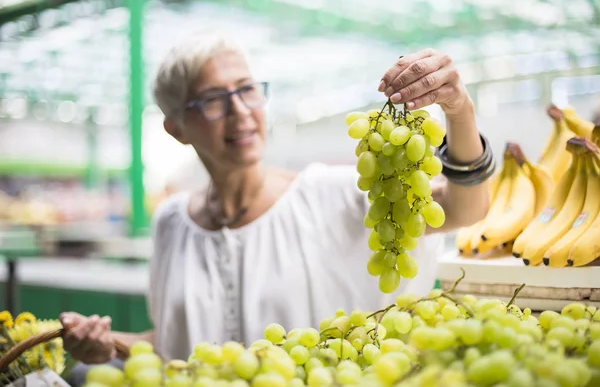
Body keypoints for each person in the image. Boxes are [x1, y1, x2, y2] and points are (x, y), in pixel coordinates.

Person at [59, 31, 493, 364]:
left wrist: (459, 109)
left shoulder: (325, 194)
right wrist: (110, 344)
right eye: (213, 99)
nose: (241, 111)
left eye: (247, 89)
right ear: (176, 129)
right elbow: (173, 341)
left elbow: (464, 208)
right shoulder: (171, 221)